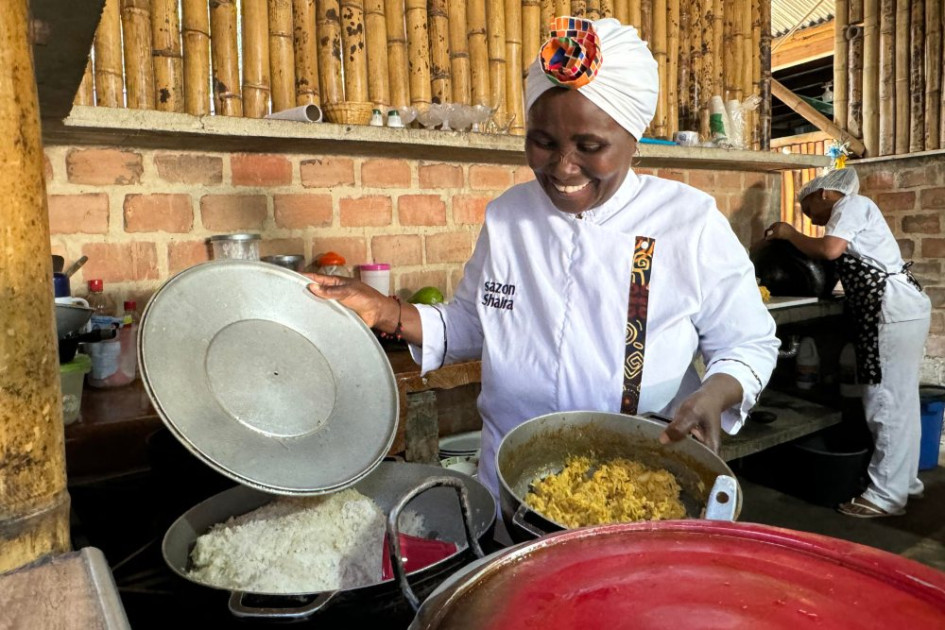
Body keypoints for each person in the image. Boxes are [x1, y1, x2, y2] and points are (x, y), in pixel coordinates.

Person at [310, 16, 779, 501]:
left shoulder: (687, 220)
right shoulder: (509, 216)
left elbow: (749, 342)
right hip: (514, 481)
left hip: (640, 481)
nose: (562, 166)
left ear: (634, 139)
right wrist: (386, 311)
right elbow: (477, 322)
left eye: (590, 146)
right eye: (543, 141)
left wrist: (716, 392)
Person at [765, 167, 931, 518]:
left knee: (885, 400)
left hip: (892, 308)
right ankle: (904, 482)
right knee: (900, 399)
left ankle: (886, 496)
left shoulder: (852, 205)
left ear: (825, 193)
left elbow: (830, 250)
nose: (806, 214)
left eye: (807, 205)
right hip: (900, 306)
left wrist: (789, 233)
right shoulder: (856, 211)